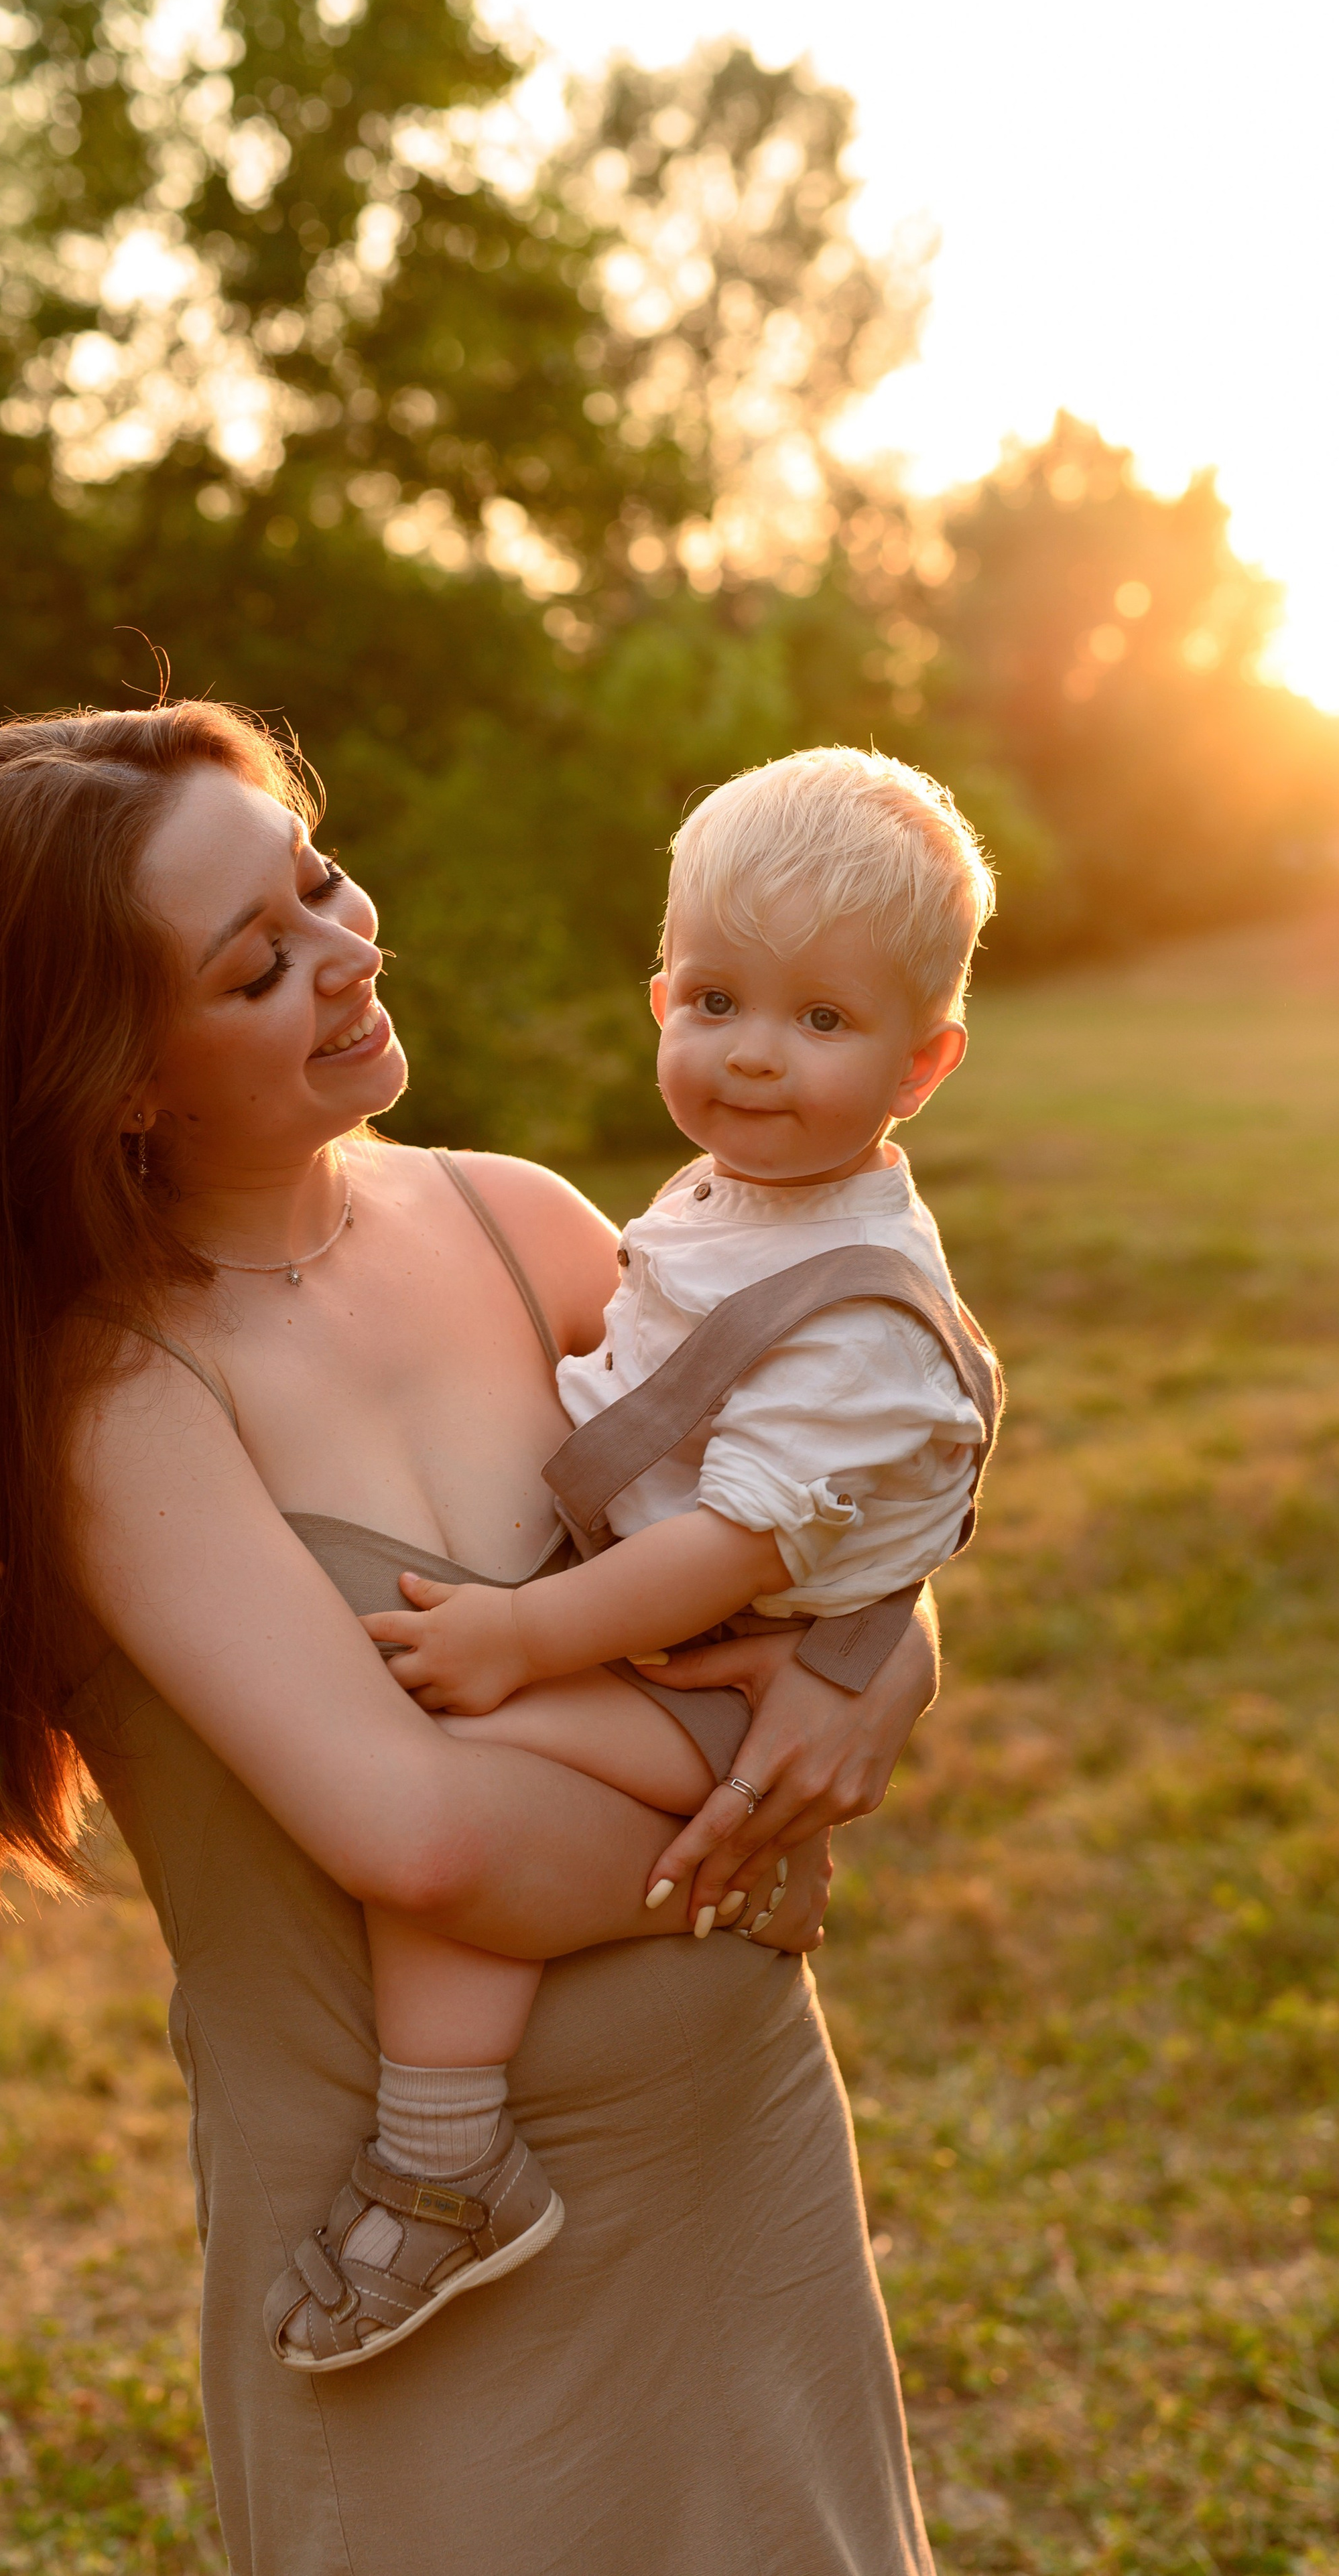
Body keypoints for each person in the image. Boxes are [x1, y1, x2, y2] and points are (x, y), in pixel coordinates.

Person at [0, 700, 942, 2576]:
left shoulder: (522, 1226)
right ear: (117, 1078)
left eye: (321, 882)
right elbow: (420, 1840)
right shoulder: (108, 1403)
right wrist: (756, 1847)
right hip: (416, 2258)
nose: (346, 954)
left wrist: (883, 1661)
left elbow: (831, 1487)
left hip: (737, 2167)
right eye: (260, 966)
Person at [324, 747, 1001, 2368]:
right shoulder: (740, 1198)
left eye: (821, 1022)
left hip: (718, 1667)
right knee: (447, 1757)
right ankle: (465, 2134)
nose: (753, 1058)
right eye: (716, 1000)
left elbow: (725, 1549)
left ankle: (441, 2160)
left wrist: (524, 1636)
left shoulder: (851, 1300)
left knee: (451, 1753)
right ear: (656, 999)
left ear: (922, 1064)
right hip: (682, 1632)